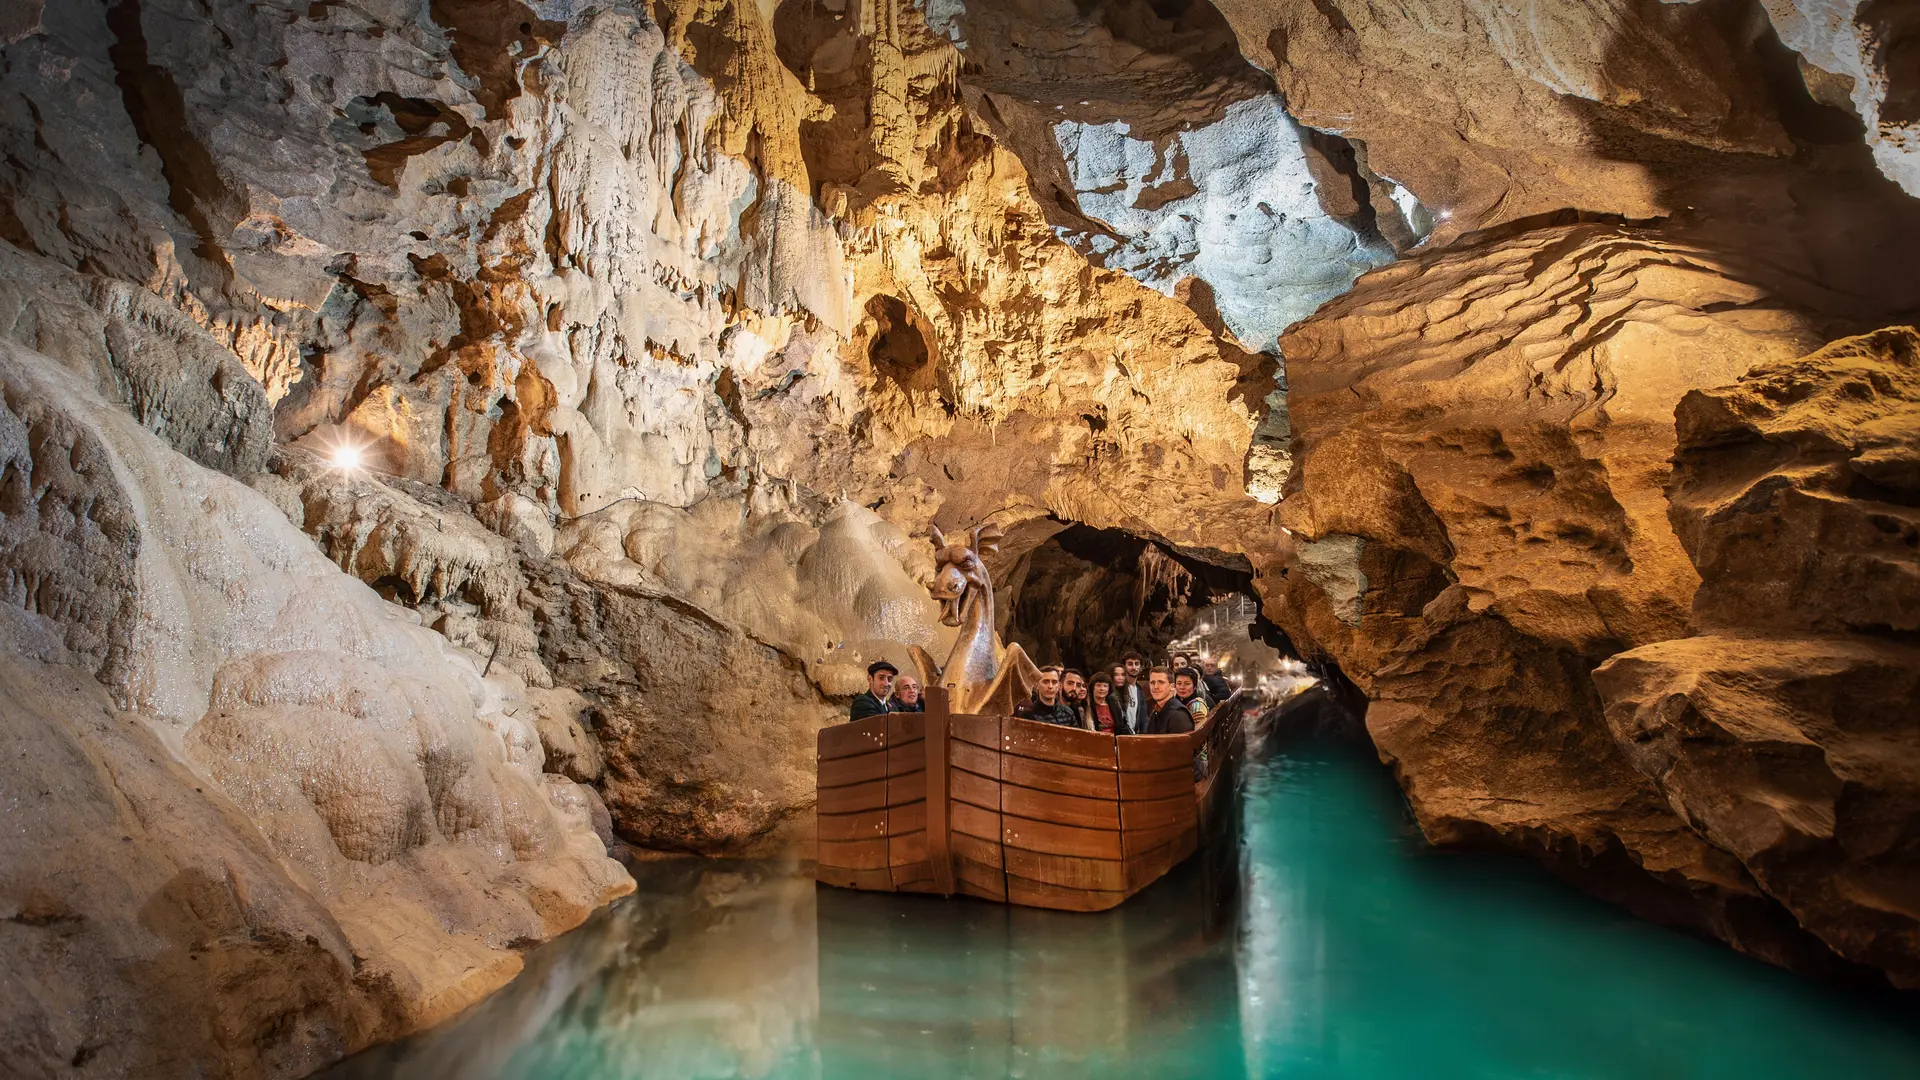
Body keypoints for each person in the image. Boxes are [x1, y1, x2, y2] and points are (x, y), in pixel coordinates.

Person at [1139, 665, 1195, 735]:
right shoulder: (1157, 710)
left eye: (1161, 682)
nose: (1156, 687)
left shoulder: (1178, 715)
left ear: (1172, 687)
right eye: (1152, 683)